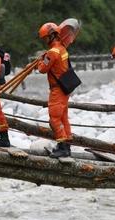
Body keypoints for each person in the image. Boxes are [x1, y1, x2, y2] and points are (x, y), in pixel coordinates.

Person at [36, 22, 73, 158]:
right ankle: (67, 145)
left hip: (57, 90)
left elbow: (42, 69)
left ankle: (62, 146)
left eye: (45, 38)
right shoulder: (62, 49)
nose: (44, 40)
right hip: (65, 88)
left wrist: (42, 60)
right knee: (63, 118)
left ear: (52, 35)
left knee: (54, 119)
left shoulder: (52, 52)